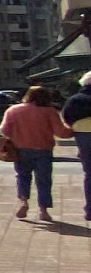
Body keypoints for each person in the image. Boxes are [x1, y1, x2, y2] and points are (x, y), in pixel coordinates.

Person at [0, 84, 71, 222]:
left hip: (21, 150)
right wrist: (74, 129)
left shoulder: (13, 110)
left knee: (22, 177)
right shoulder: (49, 111)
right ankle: (43, 210)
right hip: (44, 150)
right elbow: (61, 132)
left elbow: (4, 130)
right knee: (44, 180)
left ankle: (23, 202)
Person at [63, 71, 91, 222]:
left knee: (89, 173)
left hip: (84, 135)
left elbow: (67, 117)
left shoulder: (75, 100)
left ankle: (90, 210)